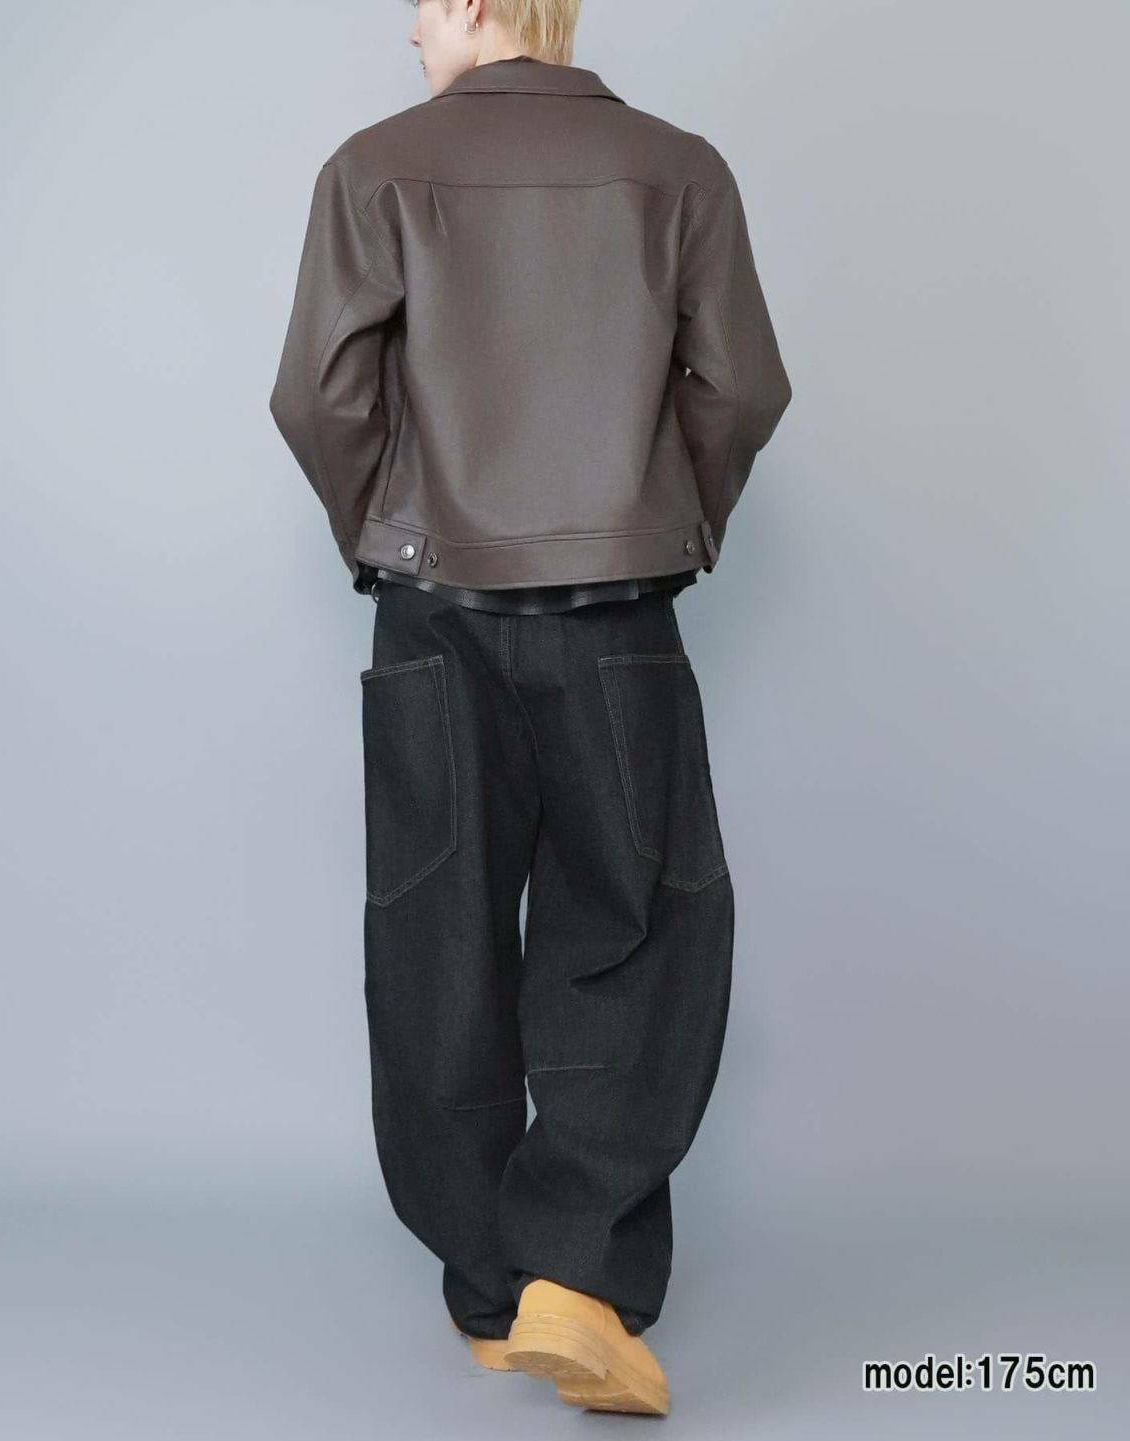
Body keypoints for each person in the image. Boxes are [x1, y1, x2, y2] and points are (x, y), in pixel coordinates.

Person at [268, 0, 791, 1416]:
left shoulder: (374, 166)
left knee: (434, 925)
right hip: (615, 617)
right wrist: (657, 521)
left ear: (481, 4)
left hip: (431, 613)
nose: (410, 30)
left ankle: (495, 1290)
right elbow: (742, 388)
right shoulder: (678, 168)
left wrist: (397, 530)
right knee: (638, 918)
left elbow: (318, 396)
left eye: (425, 4)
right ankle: (578, 1271)